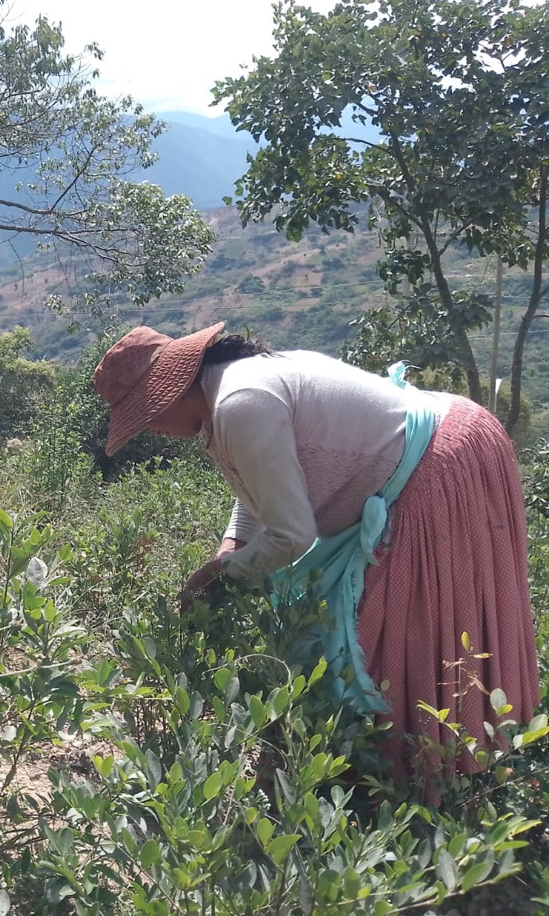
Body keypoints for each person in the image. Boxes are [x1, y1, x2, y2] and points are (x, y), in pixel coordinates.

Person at [93, 322, 539, 777]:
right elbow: (260, 484)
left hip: (440, 464)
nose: (153, 429)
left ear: (171, 392)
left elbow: (292, 535)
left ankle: (438, 777)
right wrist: (232, 545)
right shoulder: (223, 397)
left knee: (415, 627)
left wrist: (220, 577)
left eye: (147, 415)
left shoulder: (241, 402)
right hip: (441, 448)